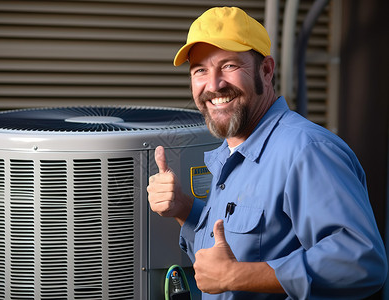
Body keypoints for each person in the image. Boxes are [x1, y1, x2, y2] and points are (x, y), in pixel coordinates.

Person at [147, 6, 388, 299]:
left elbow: (361, 261)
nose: (214, 85)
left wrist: (236, 276)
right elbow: (239, 243)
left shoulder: (306, 150)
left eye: (230, 66)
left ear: (266, 71)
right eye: (200, 70)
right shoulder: (231, 151)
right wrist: (182, 209)